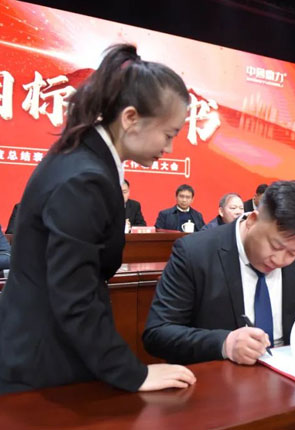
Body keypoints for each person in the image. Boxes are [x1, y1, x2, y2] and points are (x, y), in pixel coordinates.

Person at [0, 44, 196, 395]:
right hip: (44, 363)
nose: (169, 149)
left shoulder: (82, 155)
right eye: (168, 135)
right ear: (131, 118)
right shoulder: (85, 179)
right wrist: (134, 374)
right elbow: (74, 295)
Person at [143, 181, 295, 365]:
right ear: (252, 220)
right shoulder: (194, 252)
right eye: (275, 246)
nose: (280, 260)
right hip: (219, 376)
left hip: (288, 371)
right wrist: (225, 344)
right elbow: (158, 333)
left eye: (293, 253)